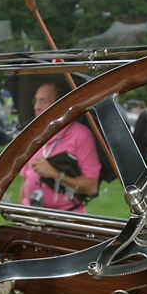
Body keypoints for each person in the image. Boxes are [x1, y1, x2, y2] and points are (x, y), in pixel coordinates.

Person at [19, 81, 101, 212]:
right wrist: (22, 213)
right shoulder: (33, 134)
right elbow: (25, 180)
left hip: (64, 221)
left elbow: (91, 188)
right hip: (32, 219)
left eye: (42, 101)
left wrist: (56, 174)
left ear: (59, 105)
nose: (36, 107)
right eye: (35, 101)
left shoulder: (81, 135)